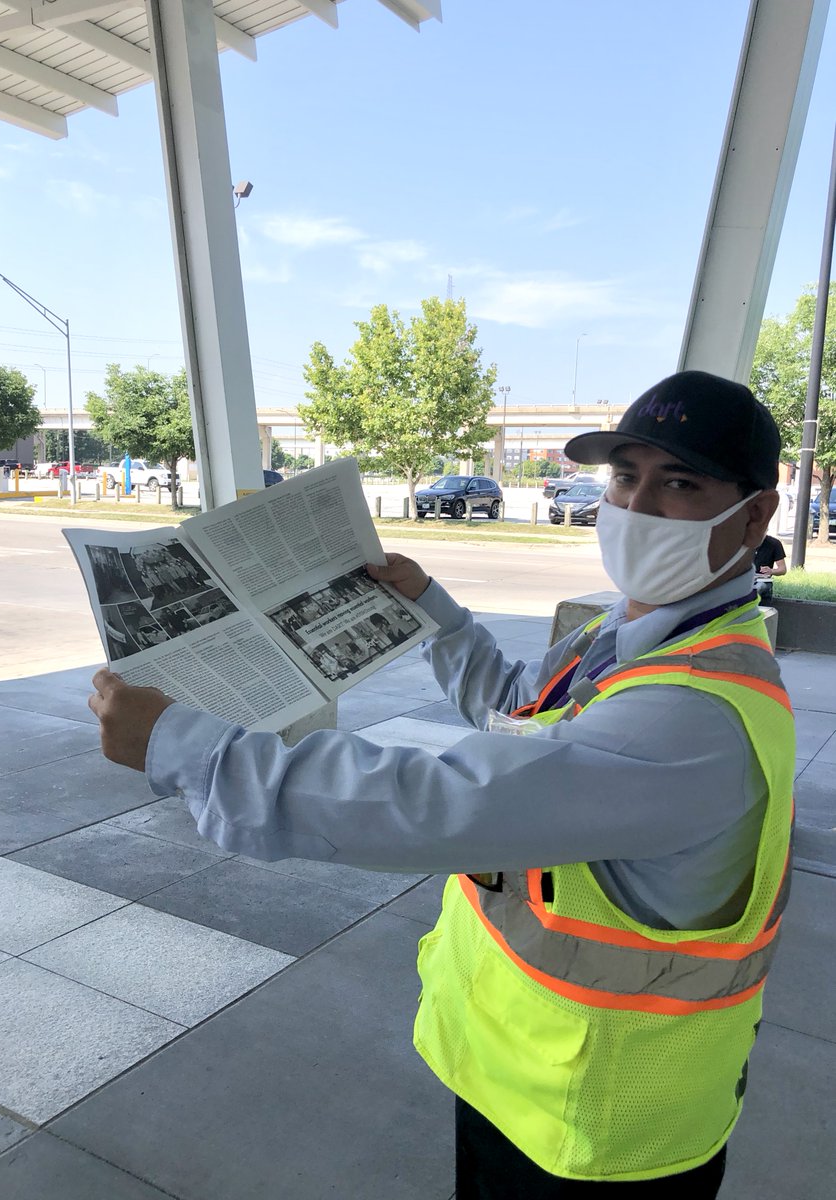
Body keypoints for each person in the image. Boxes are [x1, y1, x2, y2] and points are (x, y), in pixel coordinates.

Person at [89, 370, 794, 1198]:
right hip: (522, 1079)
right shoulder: (634, 633)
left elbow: (440, 802)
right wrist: (433, 610)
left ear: (754, 516)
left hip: (599, 1131)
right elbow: (521, 713)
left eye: (679, 484)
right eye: (624, 477)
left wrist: (188, 747)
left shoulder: (692, 712)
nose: (636, 507)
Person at [753, 532, 787, 603]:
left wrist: (771, 571)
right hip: (746, 579)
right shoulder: (742, 542)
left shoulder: (774, 543)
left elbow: (783, 569)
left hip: (763, 581)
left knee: (759, 587)